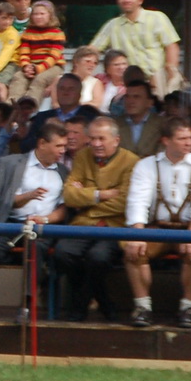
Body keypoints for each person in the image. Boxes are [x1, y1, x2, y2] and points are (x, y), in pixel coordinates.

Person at [0, 121, 71, 321]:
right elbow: (4, 201)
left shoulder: (63, 173)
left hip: (43, 228)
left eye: (64, 146)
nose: (63, 151)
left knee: (35, 248)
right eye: (58, 146)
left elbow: (63, 209)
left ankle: (27, 306)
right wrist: (27, 196)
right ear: (42, 143)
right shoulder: (12, 164)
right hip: (12, 223)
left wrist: (44, 219)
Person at [121, 117, 191, 328]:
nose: (188, 142)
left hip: (190, 229)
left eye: (190, 138)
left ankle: (189, 307)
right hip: (157, 228)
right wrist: (137, 235)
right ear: (166, 140)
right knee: (133, 250)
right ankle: (142, 307)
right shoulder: (146, 165)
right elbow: (138, 201)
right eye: (182, 138)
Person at [55, 117, 140, 321]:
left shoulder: (132, 162)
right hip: (83, 224)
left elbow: (123, 203)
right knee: (62, 252)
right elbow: (68, 195)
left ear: (116, 140)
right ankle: (104, 301)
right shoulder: (83, 156)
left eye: (101, 139)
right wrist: (100, 195)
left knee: (98, 257)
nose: (96, 144)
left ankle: (80, 304)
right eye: (92, 138)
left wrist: (84, 197)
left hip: (114, 226)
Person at [89, 0, 181, 95]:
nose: (127, 0)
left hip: (157, 81)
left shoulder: (157, 18)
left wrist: (171, 74)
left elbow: (171, 46)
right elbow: (93, 50)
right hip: (127, 84)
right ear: (118, 1)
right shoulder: (112, 25)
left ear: (140, 0)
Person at [6, 0, 66, 102]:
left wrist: (38, 69)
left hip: (52, 66)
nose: (38, 17)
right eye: (35, 14)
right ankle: (11, 106)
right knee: (18, 77)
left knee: (40, 79)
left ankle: (29, 106)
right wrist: (26, 67)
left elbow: (53, 56)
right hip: (32, 65)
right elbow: (24, 53)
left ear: (50, 15)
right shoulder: (28, 33)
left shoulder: (57, 33)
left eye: (42, 14)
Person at [115, 80, 163, 157]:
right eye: (127, 97)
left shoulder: (162, 125)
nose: (130, 101)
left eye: (136, 97)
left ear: (149, 102)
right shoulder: (115, 125)